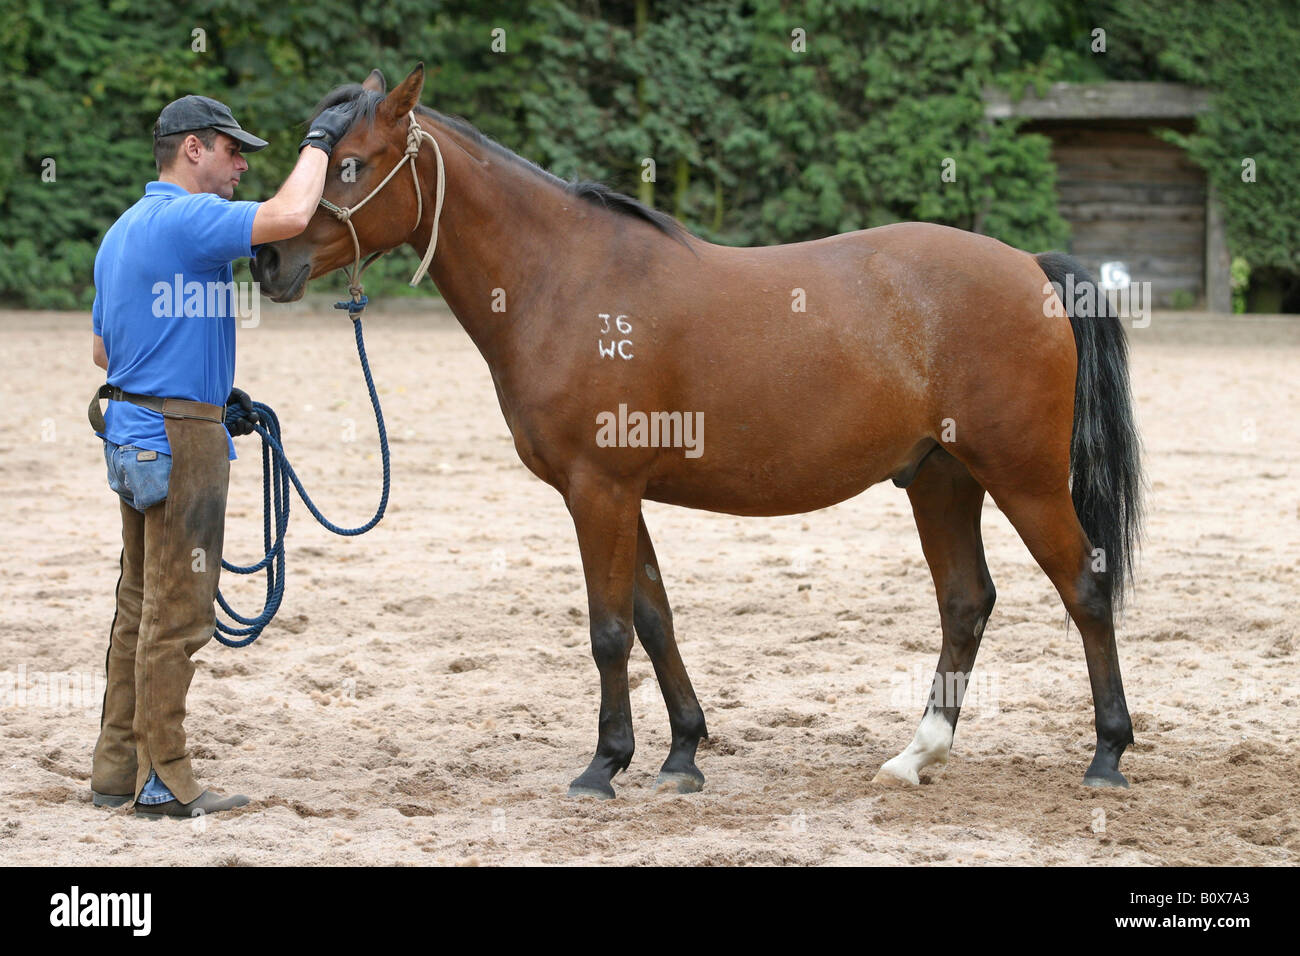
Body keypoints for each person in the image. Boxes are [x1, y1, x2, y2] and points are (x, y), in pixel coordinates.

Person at [87, 93, 355, 818]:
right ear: (192, 150)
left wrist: (207, 390)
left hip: (133, 431)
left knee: (137, 607)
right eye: (232, 149)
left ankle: (116, 769)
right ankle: (163, 779)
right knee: (179, 616)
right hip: (180, 443)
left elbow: (104, 351)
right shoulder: (190, 218)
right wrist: (323, 140)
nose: (242, 164)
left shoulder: (122, 231)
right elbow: (294, 215)